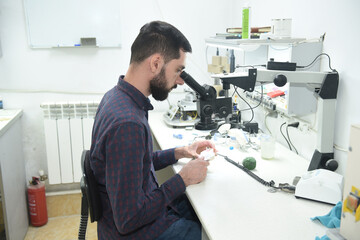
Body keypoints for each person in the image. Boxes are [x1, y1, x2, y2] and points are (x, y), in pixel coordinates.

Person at [90, 21, 216, 240]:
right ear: (156, 63)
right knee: (211, 230)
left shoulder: (119, 97)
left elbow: (137, 164)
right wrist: (183, 179)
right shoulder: (127, 124)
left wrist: (180, 152)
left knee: (201, 208)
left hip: (128, 217)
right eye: (177, 70)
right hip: (136, 232)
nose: (179, 81)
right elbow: (128, 219)